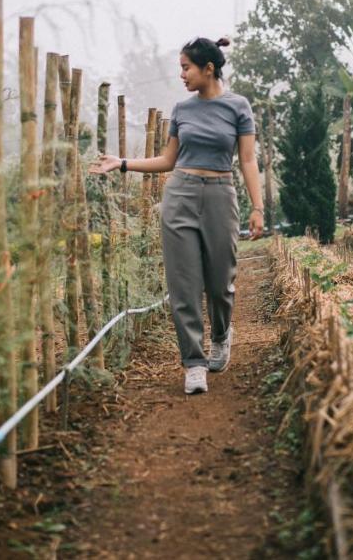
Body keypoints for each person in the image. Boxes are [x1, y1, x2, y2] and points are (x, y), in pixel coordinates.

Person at [90, 36, 264, 394]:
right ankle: (194, 362)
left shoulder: (238, 107)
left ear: (208, 69)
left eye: (186, 68)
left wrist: (258, 207)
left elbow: (247, 160)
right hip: (180, 194)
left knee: (221, 283)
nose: (182, 75)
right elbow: (168, 161)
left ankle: (220, 335)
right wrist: (122, 163)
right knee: (183, 284)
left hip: (220, 195)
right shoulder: (182, 110)